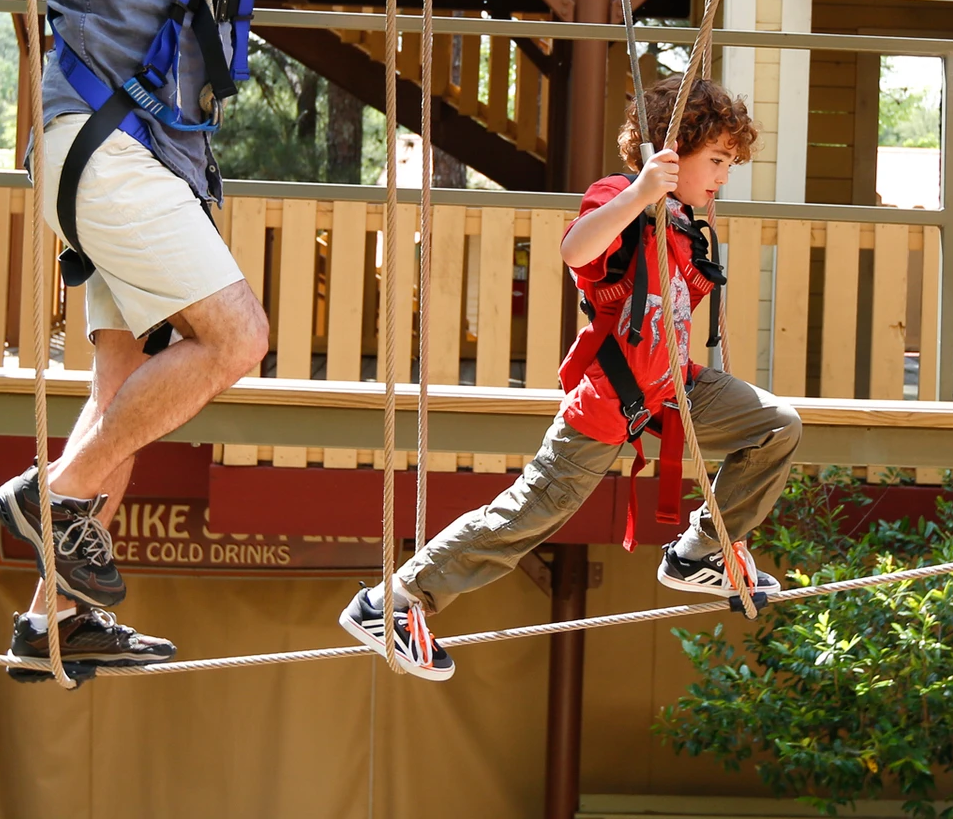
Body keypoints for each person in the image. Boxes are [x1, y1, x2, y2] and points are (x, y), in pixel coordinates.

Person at [0, 0, 439, 681]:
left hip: (163, 166)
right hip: (102, 147)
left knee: (124, 389)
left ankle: (55, 621)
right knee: (238, 337)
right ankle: (54, 495)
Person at [338, 75, 803, 679]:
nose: (722, 176)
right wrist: (640, 191)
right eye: (715, 160)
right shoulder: (622, 197)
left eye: (728, 165)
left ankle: (700, 551)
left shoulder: (685, 223)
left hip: (673, 387)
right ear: (671, 151)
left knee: (776, 426)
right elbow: (577, 251)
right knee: (527, 515)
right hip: (612, 401)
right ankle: (393, 602)